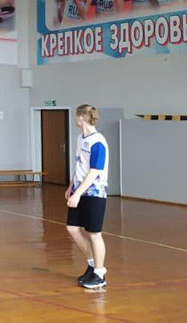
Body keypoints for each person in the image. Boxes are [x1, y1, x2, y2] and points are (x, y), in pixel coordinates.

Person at [66, 104, 109, 290]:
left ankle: (100, 274)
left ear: (80, 118)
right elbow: (80, 165)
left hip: (94, 192)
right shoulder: (80, 138)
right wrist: (71, 186)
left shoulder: (98, 141)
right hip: (78, 190)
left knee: (94, 234)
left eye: (76, 117)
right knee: (72, 228)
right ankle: (92, 264)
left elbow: (94, 171)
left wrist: (77, 193)